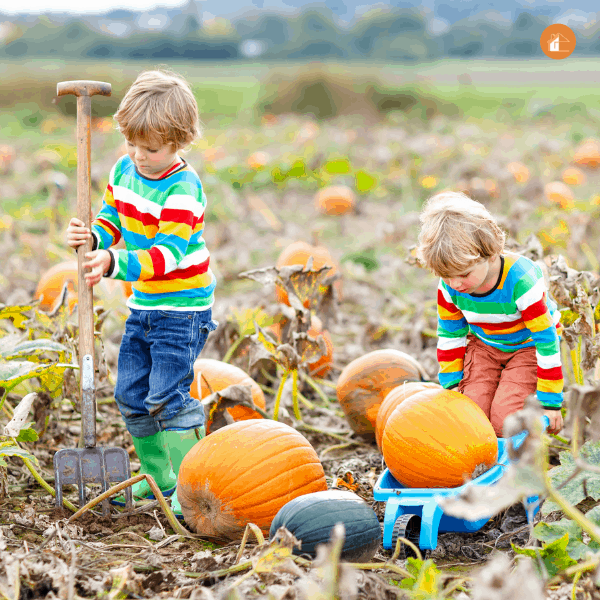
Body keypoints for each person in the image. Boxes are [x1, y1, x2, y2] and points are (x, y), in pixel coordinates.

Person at [66, 69, 217, 514]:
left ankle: (194, 481)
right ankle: (158, 478)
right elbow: (115, 215)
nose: (138, 156)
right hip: (145, 305)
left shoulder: (183, 190)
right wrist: (95, 238)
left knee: (167, 396)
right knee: (131, 394)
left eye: (150, 149)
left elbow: (166, 254)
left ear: (179, 141)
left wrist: (115, 262)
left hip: (182, 308)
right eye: (132, 144)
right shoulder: (125, 169)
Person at [415, 191, 564, 436]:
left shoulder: (521, 281)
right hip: (485, 345)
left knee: (503, 422)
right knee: (470, 416)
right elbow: (450, 335)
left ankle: (520, 450)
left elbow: (546, 340)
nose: (455, 284)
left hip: (527, 347)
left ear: (491, 253)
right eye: (446, 276)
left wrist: (551, 403)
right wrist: (452, 386)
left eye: (463, 274)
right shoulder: (450, 288)